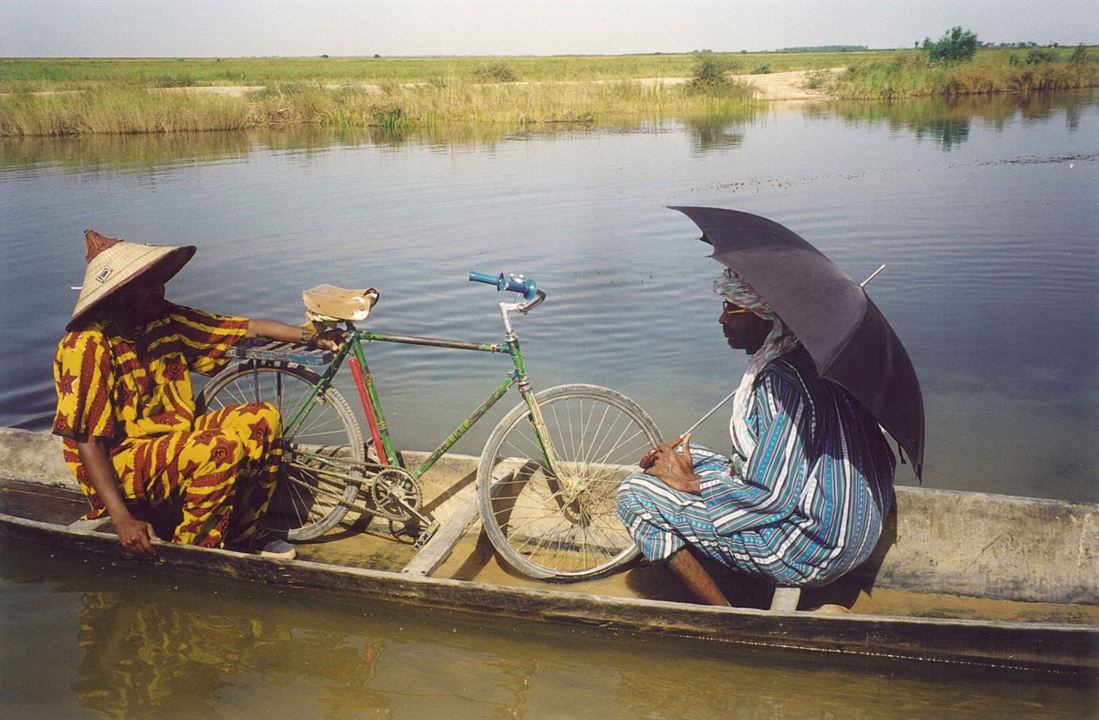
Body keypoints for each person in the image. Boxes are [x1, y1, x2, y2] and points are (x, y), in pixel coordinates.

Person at [52, 230, 338, 561]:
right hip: (120, 461)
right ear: (118, 295)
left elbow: (245, 328)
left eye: (158, 282)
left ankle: (243, 534)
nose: (158, 291)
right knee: (219, 448)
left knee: (263, 417)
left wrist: (310, 337)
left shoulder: (164, 319)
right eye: (146, 286)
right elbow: (88, 440)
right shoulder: (87, 346)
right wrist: (121, 518)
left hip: (173, 440)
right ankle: (196, 550)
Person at [616, 269, 896, 606]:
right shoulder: (813, 361)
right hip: (855, 537)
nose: (722, 318)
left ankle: (726, 618)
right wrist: (691, 469)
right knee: (695, 458)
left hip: (811, 549)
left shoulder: (781, 382)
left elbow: (771, 494)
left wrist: (690, 483)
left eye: (732, 309)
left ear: (765, 318)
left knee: (635, 493)